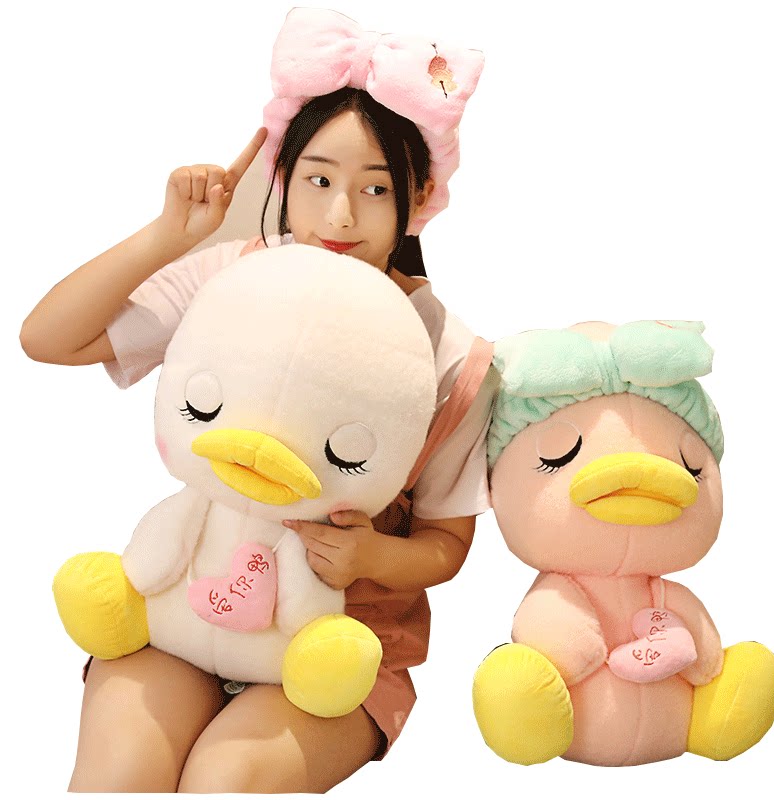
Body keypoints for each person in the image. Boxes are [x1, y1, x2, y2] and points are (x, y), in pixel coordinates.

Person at [20, 8, 492, 794]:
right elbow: (48, 339)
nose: (340, 215)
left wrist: (372, 557)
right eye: (319, 179)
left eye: (376, 188)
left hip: (336, 645)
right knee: (121, 769)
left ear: (418, 195)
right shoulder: (232, 276)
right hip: (187, 602)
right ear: (284, 176)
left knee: (227, 776)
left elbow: (447, 543)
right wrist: (170, 235)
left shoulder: (450, 356)